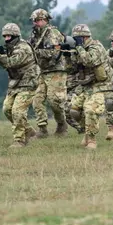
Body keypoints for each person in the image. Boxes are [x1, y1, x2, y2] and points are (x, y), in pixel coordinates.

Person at [0, 22, 39, 148]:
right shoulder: (11, 48)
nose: (6, 39)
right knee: (7, 109)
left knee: (17, 111)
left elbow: (11, 63)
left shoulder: (23, 48)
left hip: (28, 84)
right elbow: (8, 63)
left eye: (9, 36)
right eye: (5, 36)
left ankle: (19, 140)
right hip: (16, 84)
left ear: (15, 36)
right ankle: (28, 131)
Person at [66, 24, 112, 149]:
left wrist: (80, 48)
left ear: (84, 37)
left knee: (90, 110)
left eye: (78, 39)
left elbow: (89, 61)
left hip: (99, 84)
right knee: (73, 110)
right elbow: (71, 69)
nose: (76, 41)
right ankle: (87, 131)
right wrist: (68, 56)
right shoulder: (78, 49)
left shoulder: (96, 47)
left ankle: (92, 140)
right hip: (85, 84)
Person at [28, 8, 67, 138]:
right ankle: (43, 129)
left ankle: (62, 124)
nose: (35, 23)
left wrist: (36, 52)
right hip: (42, 71)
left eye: (38, 20)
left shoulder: (52, 33)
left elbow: (54, 52)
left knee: (54, 100)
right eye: (34, 21)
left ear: (45, 20)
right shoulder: (35, 35)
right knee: (37, 100)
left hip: (56, 70)